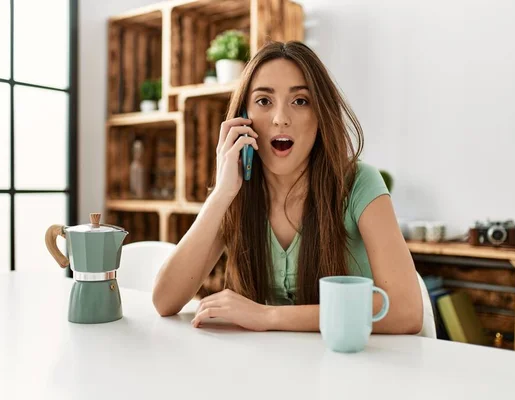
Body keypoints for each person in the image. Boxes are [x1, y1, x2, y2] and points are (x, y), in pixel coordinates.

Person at [152, 41, 423, 334]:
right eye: (264, 101)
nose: (281, 118)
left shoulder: (360, 184)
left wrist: (268, 317)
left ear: (320, 115)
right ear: (243, 117)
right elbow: (165, 301)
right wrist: (221, 194)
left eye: (300, 101)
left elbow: (406, 312)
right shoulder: (236, 192)